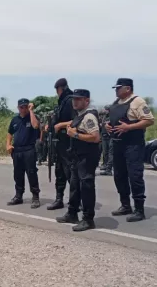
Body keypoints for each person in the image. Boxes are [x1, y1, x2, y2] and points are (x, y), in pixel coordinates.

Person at [105, 78, 154, 222]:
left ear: (128, 88)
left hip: (133, 145)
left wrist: (129, 127)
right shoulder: (116, 103)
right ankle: (125, 205)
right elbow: (112, 119)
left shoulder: (138, 102)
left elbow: (149, 120)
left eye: (118, 88)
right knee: (119, 176)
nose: (116, 90)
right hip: (117, 144)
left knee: (135, 176)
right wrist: (107, 125)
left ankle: (139, 209)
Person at [55, 89, 101, 231]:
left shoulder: (89, 117)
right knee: (75, 186)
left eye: (78, 99)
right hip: (77, 157)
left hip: (87, 157)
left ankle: (88, 219)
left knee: (86, 187)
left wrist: (74, 135)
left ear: (86, 101)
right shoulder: (79, 116)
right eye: (74, 99)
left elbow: (95, 137)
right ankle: (72, 213)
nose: (75, 101)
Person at [6, 98, 41, 209]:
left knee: (31, 173)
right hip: (17, 151)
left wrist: (31, 111)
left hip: (29, 150)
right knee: (18, 174)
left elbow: (36, 126)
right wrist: (8, 144)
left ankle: (35, 197)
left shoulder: (32, 117)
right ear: (18, 107)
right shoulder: (15, 119)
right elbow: (10, 133)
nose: (24, 109)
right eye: (22, 107)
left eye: (26, 106)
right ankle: (18, 196)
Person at [47, 78, 76, 210]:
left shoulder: (70, 100)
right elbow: (58, 118)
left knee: (70, 172)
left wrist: (61, 125)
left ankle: (76, 200)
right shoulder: (62, 102)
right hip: (59, 142)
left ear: (60, 89)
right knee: (59, 172)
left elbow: (76, 120)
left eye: (57, 90)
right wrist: (51, 124)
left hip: (68, 142)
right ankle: (59, 199)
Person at [99, 105, 114, 175]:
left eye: (106, 109)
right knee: (105, 153)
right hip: (103, 136)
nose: (105, 111)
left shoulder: (112, 116)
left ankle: (109, 169)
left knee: (110, 153)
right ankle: (105, 165)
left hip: (110, 137)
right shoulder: (104, 116)